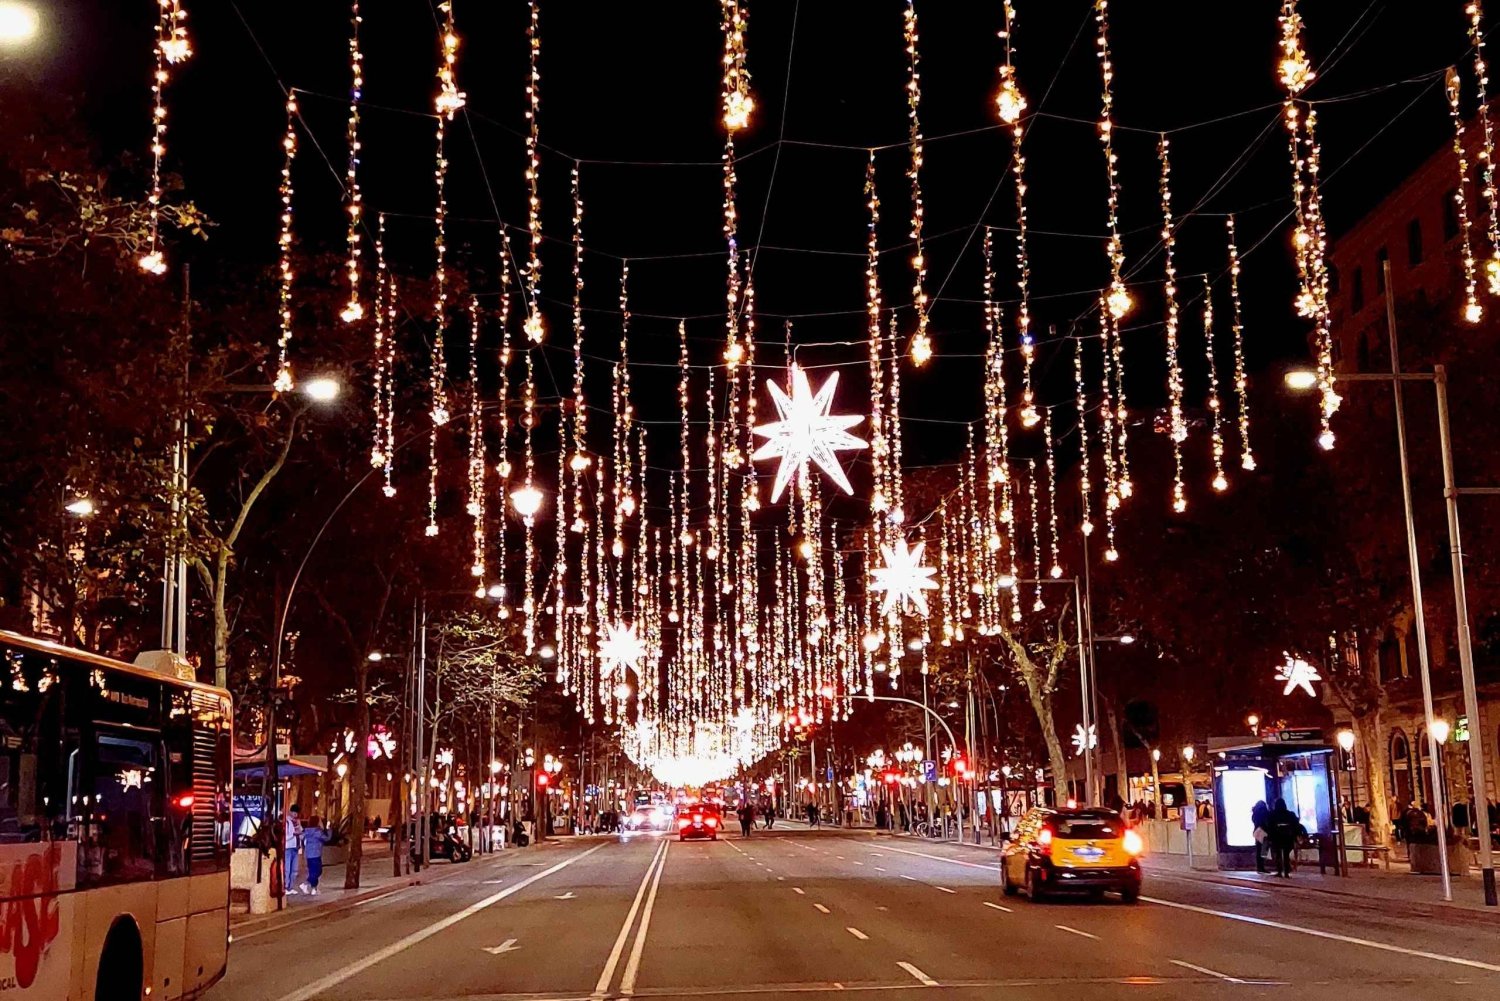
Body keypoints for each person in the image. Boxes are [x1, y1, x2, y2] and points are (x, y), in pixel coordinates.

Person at [1267, 798, 1302, 878]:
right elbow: (1295, 824)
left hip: (1276, 838)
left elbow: (1269, 826)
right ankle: (1286, 872)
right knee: (1286, 855)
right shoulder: (1290, 814)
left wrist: (1270, 837)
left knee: (1278, 855)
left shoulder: (1272, 814)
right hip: (1287, 837)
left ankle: (1279, 871)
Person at [300, 815, 329, 895]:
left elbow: (302, 837)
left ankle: (313, 889)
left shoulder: (307, 831)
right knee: (317, 871)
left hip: (309, 854)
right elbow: (326, 838)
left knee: (313, 871)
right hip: (316, 853)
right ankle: (307, 884)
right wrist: (328, 829)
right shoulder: (317, 831)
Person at [283, 804, 303, 895]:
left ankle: (290, 887)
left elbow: (301, 833)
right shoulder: (286, 821)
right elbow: (285, 837)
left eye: (297, 813)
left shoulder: (296, 822)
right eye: (294, 813)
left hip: (296, 847)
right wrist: (293, 835)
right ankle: (286, 887)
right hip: (288, 847)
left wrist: (299, 827)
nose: (295, 815)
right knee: (287, 868)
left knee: (294, 869)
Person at [1250, 800, 1270, 873]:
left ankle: (1259, 867)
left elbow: (1254, 821)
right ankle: (1262, 867)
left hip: (1257, 832)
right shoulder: (1265, 812)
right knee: (1264, 851)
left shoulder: (1255, 813)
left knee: (1258, 850)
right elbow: (1267, 821)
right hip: (1264, 832)